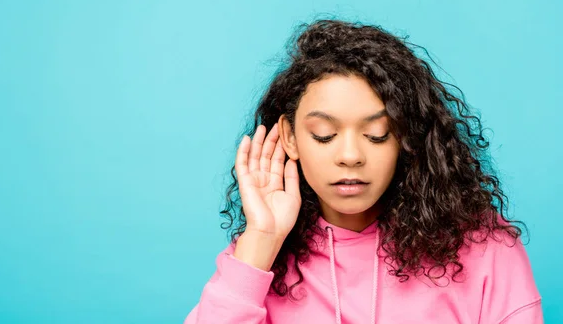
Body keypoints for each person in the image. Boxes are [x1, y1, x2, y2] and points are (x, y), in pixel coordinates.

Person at [184, 19, 543, 323]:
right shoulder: (256, 259)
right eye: (325, 136)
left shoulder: (484, 250)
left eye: (376, 134)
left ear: (404, 137)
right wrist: (262, 238)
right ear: (290, 138)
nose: (351, 156)